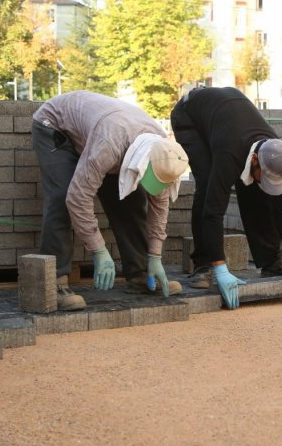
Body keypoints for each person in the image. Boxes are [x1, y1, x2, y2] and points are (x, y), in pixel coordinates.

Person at [32, 91, 189, 311]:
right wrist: (98, 249)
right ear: (142, 165)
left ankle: (140, 273)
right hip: (56, 125)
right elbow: (77, 198)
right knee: (62, 196)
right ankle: (55, 282)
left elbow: (159, 208)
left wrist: (154, 255)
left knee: (131, 201)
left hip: (101, 131)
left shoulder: (164, 155)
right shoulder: (109, 146)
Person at [170, 86, 282, 310]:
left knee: (257, 190)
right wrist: (221, 268)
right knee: (207, 186)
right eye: (263, 175)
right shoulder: (230, 153)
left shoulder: (279, 157)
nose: (269, 182)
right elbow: (213, 212)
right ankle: (204, 264)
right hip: (190, 117)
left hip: (224, 117)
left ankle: (270, 260)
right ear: (255, 160)